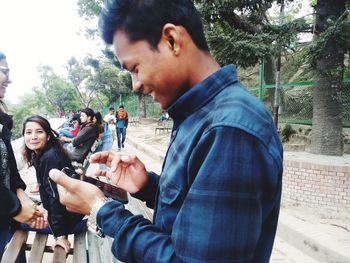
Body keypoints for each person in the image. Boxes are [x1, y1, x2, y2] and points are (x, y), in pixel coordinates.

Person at [49, 1, 283, 262]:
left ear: (172, 40)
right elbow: (195, 216)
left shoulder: (229, 130)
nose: (135, 85)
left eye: (135, 68)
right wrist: (149, 186)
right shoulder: (197, 114)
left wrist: (101, 210)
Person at [0, 52, 48, 261]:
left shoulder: (2, 119)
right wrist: (16, 207)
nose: (9, 79)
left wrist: (21, 197)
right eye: (4, 71)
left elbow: (9, 165)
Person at [22, 115, 86, 253]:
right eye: (28, 132)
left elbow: (56, 197)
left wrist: (60, 235)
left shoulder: (50, 158)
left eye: (39, 132)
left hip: (71, 221)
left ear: (48, 136)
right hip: (70, 215)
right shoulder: (47, 153)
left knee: (12, 221)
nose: (33, 136)